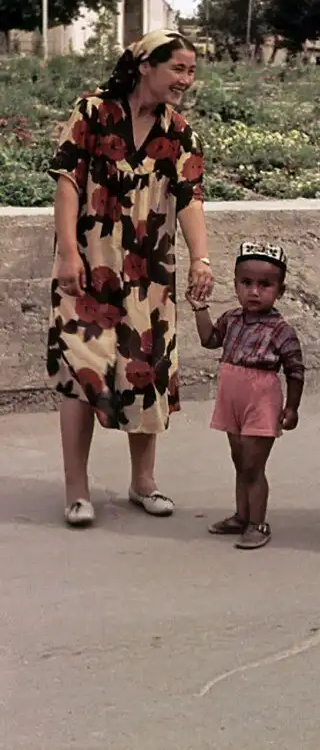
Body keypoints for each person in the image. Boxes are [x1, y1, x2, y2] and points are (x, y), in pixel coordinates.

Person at [47, 29, 213, 527]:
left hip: (149, 274)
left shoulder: (178, 132)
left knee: (147, 371)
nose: (186, 79)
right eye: (178, 68)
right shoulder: (93, 113)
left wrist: (201, 260)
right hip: (87, 267)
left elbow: (189, 198)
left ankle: (143, 481)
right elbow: (68, 183)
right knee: (81, 371)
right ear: (145, 66)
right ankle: (77, 489)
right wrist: (68, 253)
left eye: (191, 71)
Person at [188, 243, 304, 550]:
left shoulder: (281, 330)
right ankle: (242, 516)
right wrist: (199, 308)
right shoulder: (232, 319)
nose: (254, 291)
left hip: (261, 398)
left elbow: (295, 370)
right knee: (239, 460)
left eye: (265, 285)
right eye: (246, 282)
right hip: (232, 395)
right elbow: (209, 339)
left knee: (253, 465)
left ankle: (258, 523)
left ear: (280, 290)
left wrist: (292, 407)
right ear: (236, 284)